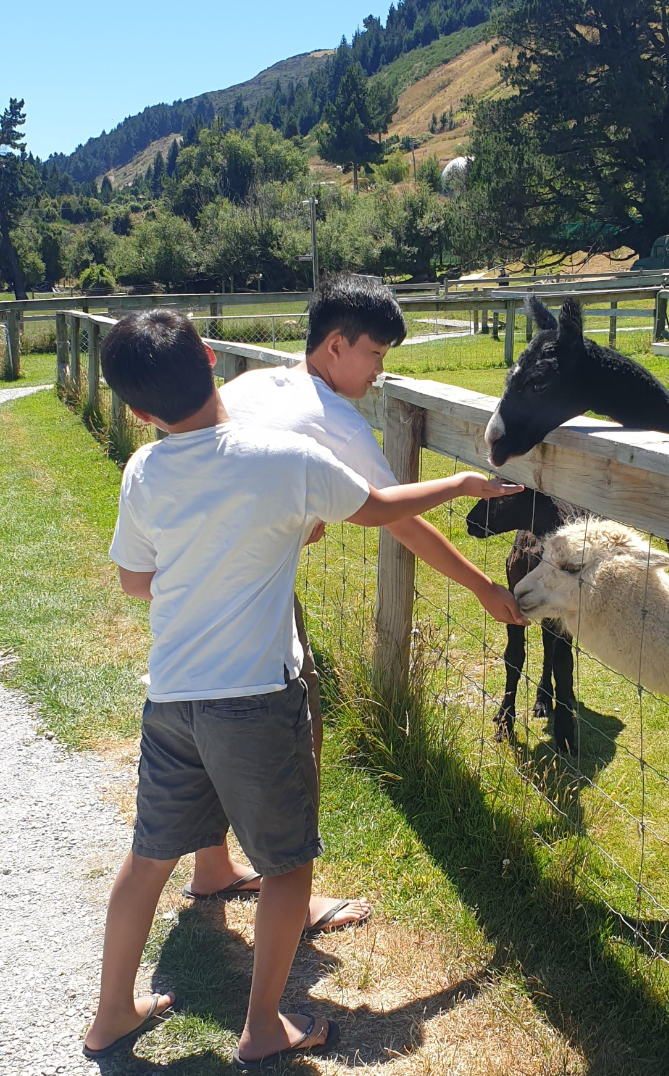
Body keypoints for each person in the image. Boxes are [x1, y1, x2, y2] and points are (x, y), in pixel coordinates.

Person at [83, 309, 521, 1068]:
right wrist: (459, 483)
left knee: (147, 857)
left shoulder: (144, 470)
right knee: (287, 867)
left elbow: (134, 580)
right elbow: (379, 510)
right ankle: (262, 1027)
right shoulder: (283, 458)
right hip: (255, 699)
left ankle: (111, 1013)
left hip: (172, 697)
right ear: (213, 360)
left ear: (137, 411)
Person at [185, 274, 527, 934]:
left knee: (205, 723)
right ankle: (293, 893)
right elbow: (400, 520)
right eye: (375, 354)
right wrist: (483, 587)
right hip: (254, 594)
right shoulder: (334, 419)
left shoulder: (254, 383)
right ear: (336, 346)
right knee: (296, 728)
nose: (379, 372)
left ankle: (211, 865)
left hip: (191, 587)